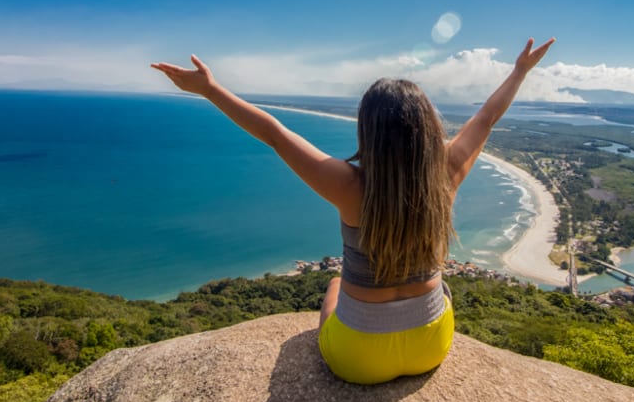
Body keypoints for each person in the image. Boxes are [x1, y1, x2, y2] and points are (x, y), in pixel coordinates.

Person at [151, 36, 555, 384]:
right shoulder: (445, 175)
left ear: (368, 131)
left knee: (334, 285)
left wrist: (210, 89)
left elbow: (273, 133)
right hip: (431, 346)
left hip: (357, 358)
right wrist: (520, 70)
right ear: (429, 128)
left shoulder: (348, 185)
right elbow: (486, 118)